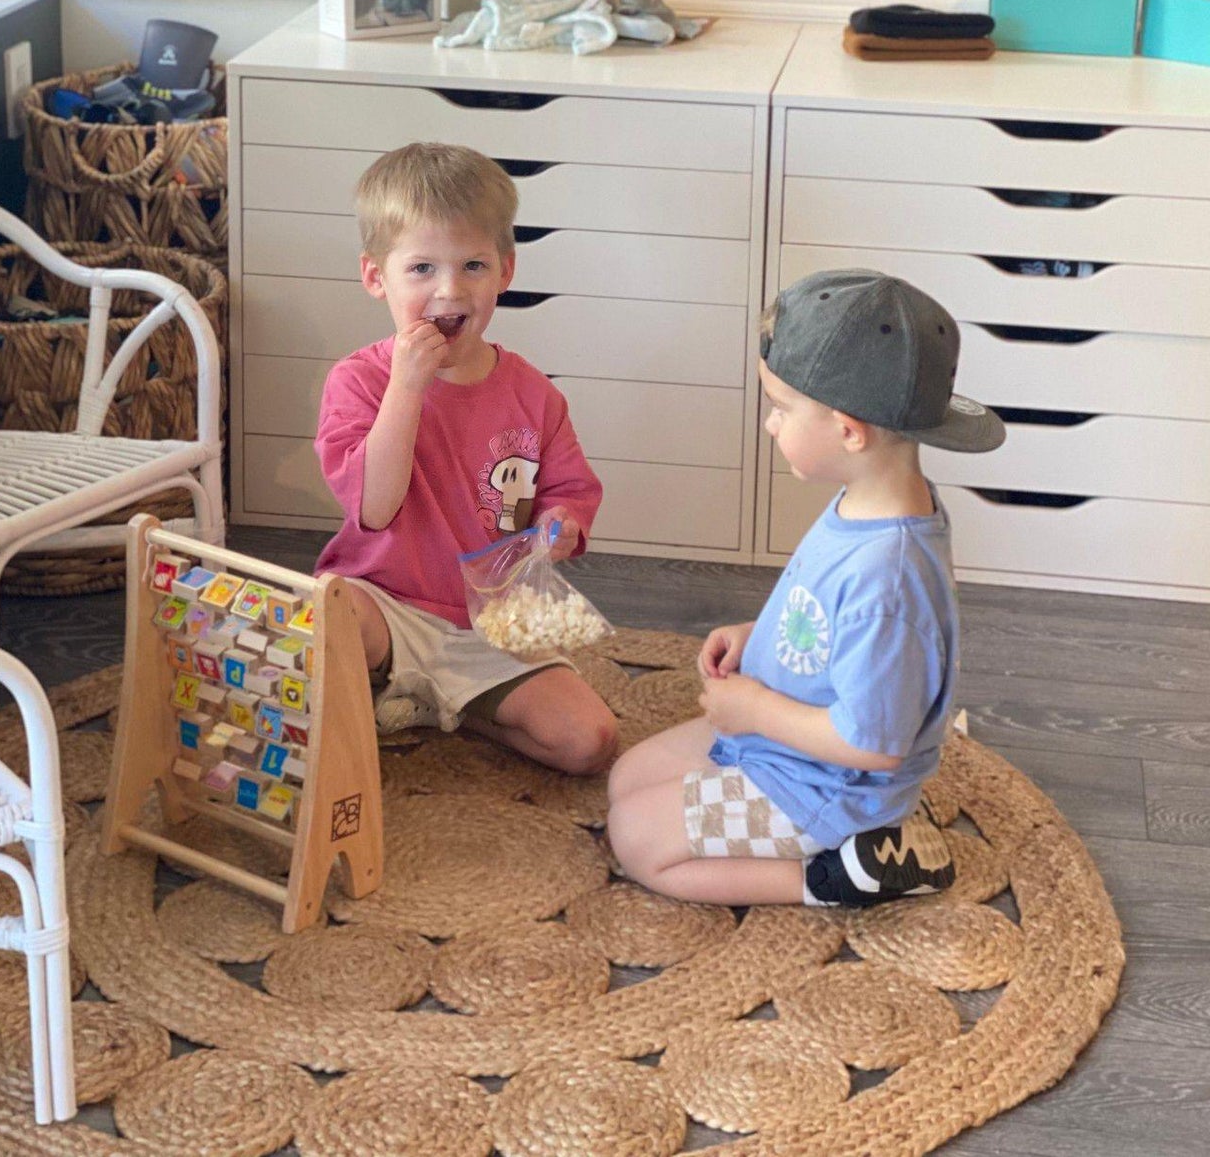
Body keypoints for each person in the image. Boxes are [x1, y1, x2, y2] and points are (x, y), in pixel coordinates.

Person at [607, 269, 1006, 905]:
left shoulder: (889, 575)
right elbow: (830, 620)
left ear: (849, 431)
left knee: (634, 838)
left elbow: (873, 744)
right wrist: (757, 637)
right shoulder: (868, 501)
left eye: (782, 408)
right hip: (783, 746)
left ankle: (835, 876)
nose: (770, 424)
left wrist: (755, 711)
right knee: (626, 779)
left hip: (827, 788)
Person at [314, 142, 618, 774]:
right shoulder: (359, 382)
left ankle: (451, 705)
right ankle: (397, 684)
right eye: (421, 268)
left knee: (589, 741)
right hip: (384, 604)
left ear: (505, 271)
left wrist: (561, 524)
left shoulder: (535, 395)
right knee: (328, 617)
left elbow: (567, 492)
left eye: (473, 265)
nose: (449, 290)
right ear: (376, 277)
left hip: (493, 622)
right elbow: (375, 508)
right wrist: (407, 386)